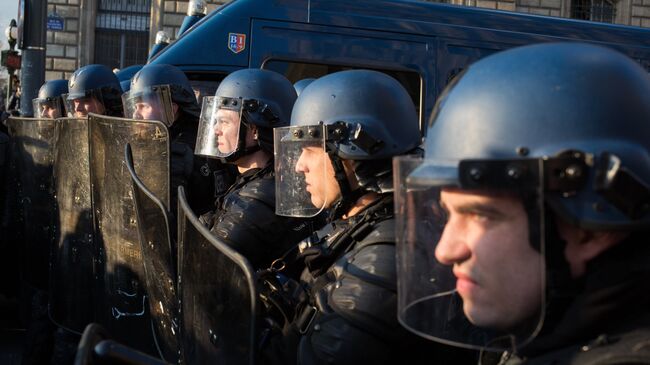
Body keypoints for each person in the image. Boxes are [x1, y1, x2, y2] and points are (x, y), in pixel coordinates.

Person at [395, 42, 650, 364]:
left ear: (592, 231)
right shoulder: (541, 332)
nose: (444, 250)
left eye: (480, 214)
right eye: (447, 214)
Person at [263, 69, 477, 365]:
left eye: (310, 149)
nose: (299, 165)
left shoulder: (387, 255)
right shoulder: (358, 220)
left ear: (352, 154)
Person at [196, 68, 317, 269]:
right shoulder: (261, 179)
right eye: (216, 121)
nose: (216, 129)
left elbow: (206, 265)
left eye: (224, 122)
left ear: (253, 130)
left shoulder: (257, 201)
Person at [123, 63, 235, 216]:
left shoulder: (176, 152)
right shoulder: (197, 135)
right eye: (135, 107)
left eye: (143, 106)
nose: (136, 115)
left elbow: (162, 219)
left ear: (171, 108)